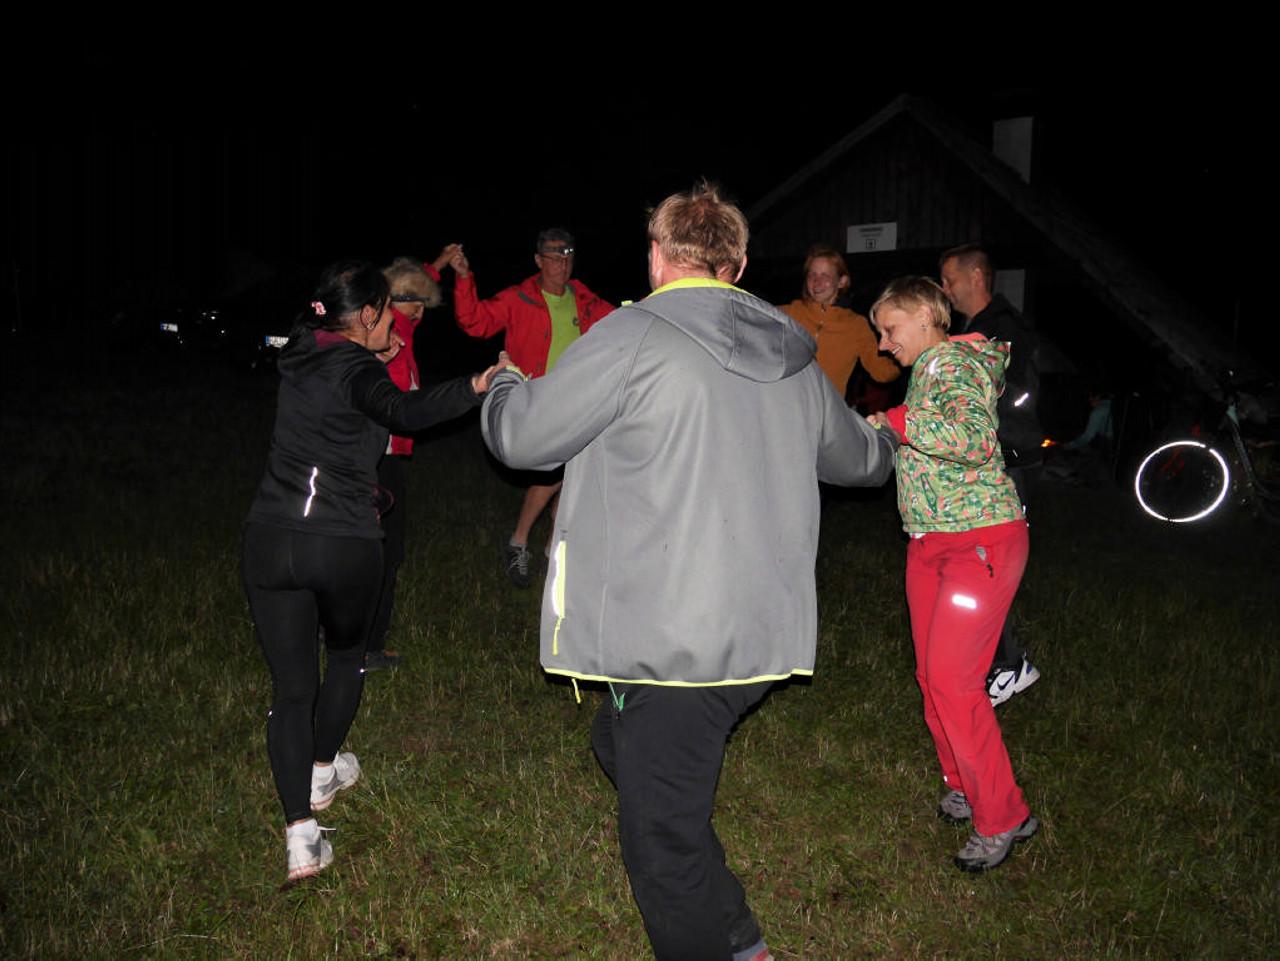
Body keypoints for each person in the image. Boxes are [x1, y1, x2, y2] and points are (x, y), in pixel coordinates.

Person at [481, 183, 896, 960]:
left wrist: (505, 382)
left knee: (660, 844)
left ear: (656, 256)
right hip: (760, 635)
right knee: (619, 743)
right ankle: (735, 931)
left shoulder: (631, 335)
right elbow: (863, 462)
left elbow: (521, 438)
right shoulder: (793, 354)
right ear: (736, 265)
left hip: (675, 645)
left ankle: (727, 939)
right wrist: (893, 437)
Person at [242, 261, 503, 882]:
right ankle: (322, 770)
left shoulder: (299, 352)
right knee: (346, 659)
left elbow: (339, 365)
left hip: (269, 540)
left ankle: (300, 836)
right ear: (365, 316)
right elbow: (403, 412)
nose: (393, 324)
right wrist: (475, 384)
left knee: (291, 692)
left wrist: (373, 349)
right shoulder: (359, 370)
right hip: (340, 543)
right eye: (385, 312)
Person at [867, 276, 1038, 873]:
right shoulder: (929, 370)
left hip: (978, 542)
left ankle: (1004, 815)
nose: (883, 344)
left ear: (923, 315)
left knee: (955, 683)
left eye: (889, 328)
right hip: (930, 542)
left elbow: (972, 438)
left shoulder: (955, 364)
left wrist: (896, 422)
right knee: (932, 676)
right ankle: (965, 783)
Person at [448, 229, 614, 588]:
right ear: (538, 260)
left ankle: (552, 551)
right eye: (554, 257)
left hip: (578, 401)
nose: (562, 265)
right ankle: (519, 541)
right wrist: (463, 279)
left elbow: (620, 323)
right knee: (551, 474)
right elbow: (475, 321)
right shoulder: (519, 298)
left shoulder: (584, 299)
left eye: (568, 257)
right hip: (536, 400)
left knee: (575, 476)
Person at [938, 244, 1042, 705]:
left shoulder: (1004, 329)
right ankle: (992, 659)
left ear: (977, 276)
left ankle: (1009, 666)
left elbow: (1014, 395)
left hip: (1008, 464)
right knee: (976, 563)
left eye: (950, 279)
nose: (945, 289)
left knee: (990, 566)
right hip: (987, 462)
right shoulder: (974, 327)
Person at [364, 250, 460, 672]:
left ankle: (349, 635)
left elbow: (407, 282)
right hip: (379, 456)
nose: (421, 313)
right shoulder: (390, 332)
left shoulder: (396, 324)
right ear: (394, 301)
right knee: (383, 551)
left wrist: (438, 264)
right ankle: (367, 646)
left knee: (379, 548)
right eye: (415, 304)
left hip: (384, 455)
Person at [778, 243, 899, 404]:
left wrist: (903, 353)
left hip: (826, 412)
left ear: (841, 281)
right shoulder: (789, 313)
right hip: (784, 406)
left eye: (825, 275)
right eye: (812, 274)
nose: (817, 281)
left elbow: (882, 373)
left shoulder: (856, 325)